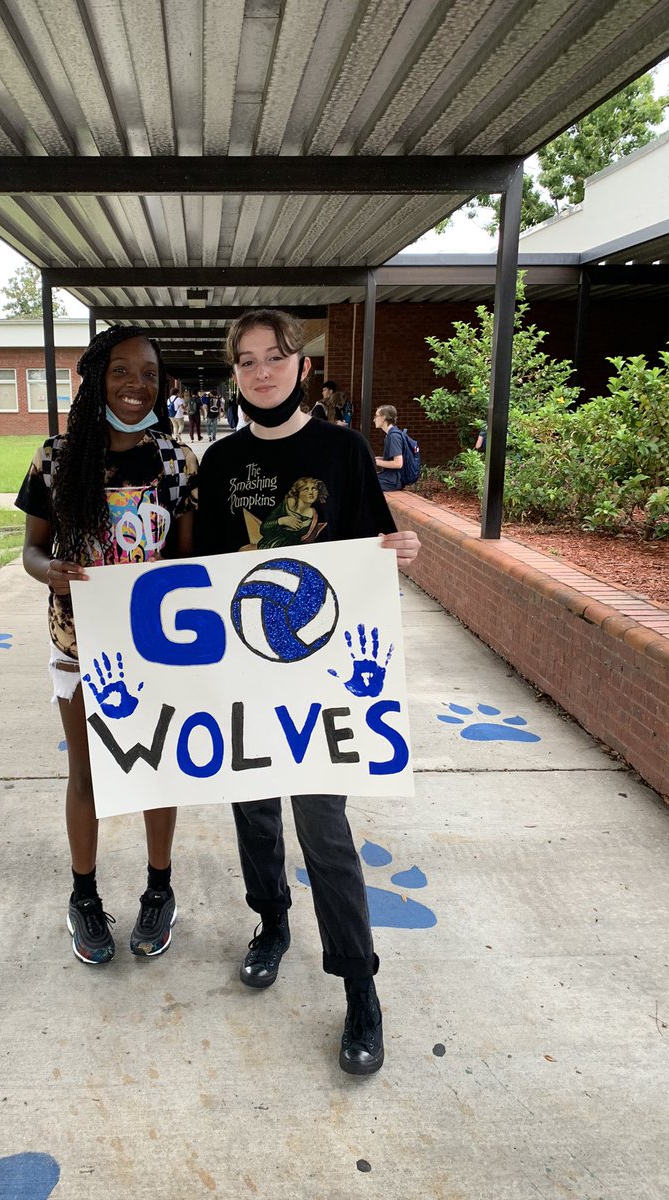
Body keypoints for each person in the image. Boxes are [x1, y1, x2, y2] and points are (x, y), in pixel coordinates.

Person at [196, 308, 420, 1076]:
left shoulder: (344, 450)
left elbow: (372, 552)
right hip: (242, 670)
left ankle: (360, 984)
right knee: (253, 811)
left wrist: (400, 552)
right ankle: (271, 923)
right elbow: (193, 576)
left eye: (275, 356)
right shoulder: (220, 463)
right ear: (235, 373)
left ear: (301, 365)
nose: (262, 371)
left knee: (322, 826)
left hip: (321, 675)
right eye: (247, 360)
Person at [15, 326, 198, 966]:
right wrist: (50, 570)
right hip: (77, 643)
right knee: (87, 772)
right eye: (121, 372)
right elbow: (33, 549)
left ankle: (158, 889)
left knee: (154, 768)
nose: (135, 386)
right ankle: (84, 896)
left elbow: (188, 563)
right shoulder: (56, 458)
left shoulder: (176, 462)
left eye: (148, 374)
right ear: (95, 378)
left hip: (153, 645)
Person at [373, 404, 405, 492]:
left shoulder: (394, 436)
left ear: (383, 418)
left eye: (376, 416)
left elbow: (398, 463)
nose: (374, 419)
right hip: (389, 478)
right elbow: (391, 458)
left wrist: (376, 462)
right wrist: (375, 459)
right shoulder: (391, 434)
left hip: (393, 481)